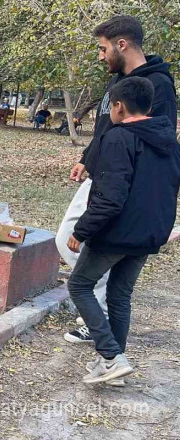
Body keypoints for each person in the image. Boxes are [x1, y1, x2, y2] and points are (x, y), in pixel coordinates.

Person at [57, 15, 177, 360]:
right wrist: (87, 158)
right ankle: (105, 331)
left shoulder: (157, 85)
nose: (100, 56)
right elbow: (107, 131)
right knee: (77, 249)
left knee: (75, 246)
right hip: (106, 171)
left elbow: (160, 140)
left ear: (121, 45)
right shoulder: (124, 81)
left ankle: (102, 329)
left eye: (102, 48)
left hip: (122, 182)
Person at [66, 76, 180, 385]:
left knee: (79, 285)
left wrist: (82, 229)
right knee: (119, 296)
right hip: (148, 233)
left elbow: (110, 196)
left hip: (117, 231)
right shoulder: (168, 139)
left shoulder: (119, 137)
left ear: (118, 106)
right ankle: (113, 367)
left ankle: (111, 356)